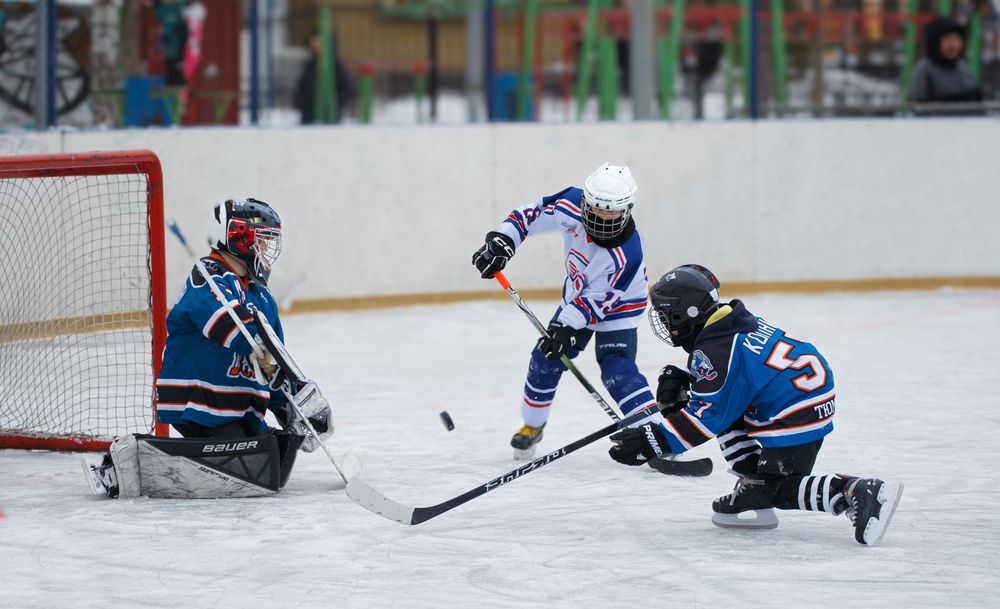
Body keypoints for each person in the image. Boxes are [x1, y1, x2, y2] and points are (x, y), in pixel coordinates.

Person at [608, 264, 903, 546]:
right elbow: (734, 383)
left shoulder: (715, 350)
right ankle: (754, 485)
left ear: (687, 312)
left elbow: (707, 417)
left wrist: (652, 440)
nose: (662, 319)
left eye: (666, 312)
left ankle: (855, 491)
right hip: (798, 397)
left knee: (780, 490)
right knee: (730, 418)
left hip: (793, 410)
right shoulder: (729, 321)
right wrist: (689, 382)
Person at [86, 198, 331, 499]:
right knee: (256, 465)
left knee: (274, 458)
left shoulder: (262, 298)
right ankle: (128, 465)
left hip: (239, 410)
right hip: (201, 405)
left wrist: (294, 405)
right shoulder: (207, 277)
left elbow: (274, 365)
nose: (267, 251)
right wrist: (269, 359)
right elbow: (232, 329)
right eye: (262, 241)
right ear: (239, 236)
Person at [472, 163, 656, 457]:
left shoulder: (628, 254)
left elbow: (598, 302)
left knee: (617, 371)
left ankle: (656, 433)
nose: (604, 219)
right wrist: (505, 239)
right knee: (544, 360)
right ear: (585, 202)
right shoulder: (569, 203)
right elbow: (530, 215)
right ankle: (532, 426)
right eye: (597, 209)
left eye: (613, 212)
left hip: (618, 309)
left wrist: (565, 328)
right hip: (576, 300)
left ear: (627, 209)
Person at [909, 17, 983, 111]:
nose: (953, 45)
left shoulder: (962, 66)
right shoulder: (924, 70)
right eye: (948, 39)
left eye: (956, 39)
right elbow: (919, 108)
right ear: (936, 42)